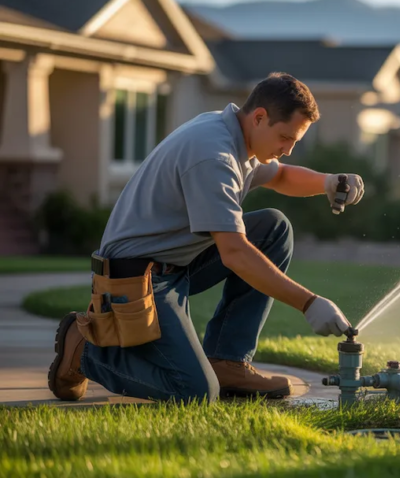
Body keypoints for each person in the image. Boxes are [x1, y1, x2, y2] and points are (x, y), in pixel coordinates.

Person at [47, 72, 365, 404]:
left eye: (295, 141)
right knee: (194, 392)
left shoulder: (236, 136)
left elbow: (282, 175)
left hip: (174, 262)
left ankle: (228, 363)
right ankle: (85, 351)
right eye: (285, 137)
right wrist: (309, 303)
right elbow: (234, 254)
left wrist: (328, 181)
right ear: (260, 117)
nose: (287, 150)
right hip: (136, 278)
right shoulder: (213, 155)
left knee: (273, 229)